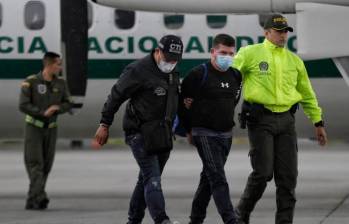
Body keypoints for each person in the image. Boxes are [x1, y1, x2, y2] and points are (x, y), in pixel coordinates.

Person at [233, 14, 328, 224]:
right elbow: (229, 78)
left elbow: (307, 93)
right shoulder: (249, 53)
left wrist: (318, 122)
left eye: (285, 31)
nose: (283, 35)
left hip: (286, 121)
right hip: (260, 121)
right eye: (278, 31)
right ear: (266, 33)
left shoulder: (294, 61)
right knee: (263, 172)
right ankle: (241, 212)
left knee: (288, 179)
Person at [94, 35, 183, 224]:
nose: (171, 63)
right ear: (157, 52)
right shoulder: (138, 70)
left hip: (162, 133)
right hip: (139, 132)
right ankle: (162, 220)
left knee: (145, 178)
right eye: (168, 58)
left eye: (175, 60)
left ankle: (133, 220)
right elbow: (116, 96)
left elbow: (174, 100)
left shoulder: (173, 71)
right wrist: (104, 124)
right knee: (152, 177)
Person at [180, 34, 242, 224]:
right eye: (223, 52)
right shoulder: (198, 74)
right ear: (213, 52)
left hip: (226, 134)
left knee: (208, 178)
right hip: (204, 132)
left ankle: (196, 219)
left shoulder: (236, 75)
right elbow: (182, 105)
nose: (227, 57)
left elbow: (234, 100)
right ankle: (230, 219)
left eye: (231, 53)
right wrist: (189, 130)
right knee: (218, 177)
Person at [19, 52, 73, 210]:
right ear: (49, 65)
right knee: (36, 164)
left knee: (47, 165)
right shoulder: (31, 82)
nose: (60, 67)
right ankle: (41, 197)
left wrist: (58, 108)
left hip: (51, 129)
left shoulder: (61, 84)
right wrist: (42, 112)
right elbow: (23, 105)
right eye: (58, 64)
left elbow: (68, 102)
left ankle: (32, 199)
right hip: (34, 128)